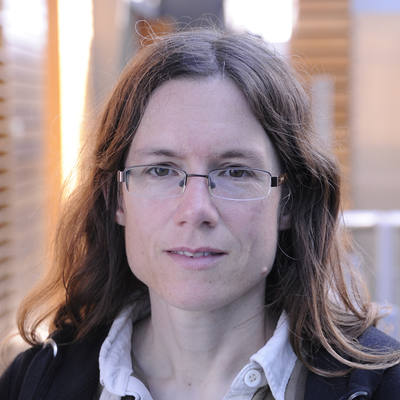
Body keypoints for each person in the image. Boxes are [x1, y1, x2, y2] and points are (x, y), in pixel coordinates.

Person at [1, 28, 399, 400]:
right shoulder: (32, 384)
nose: (195, 210)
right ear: (116, 199)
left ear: (289, 202)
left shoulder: (384, 386)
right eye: (161, 170)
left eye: (235, 172)